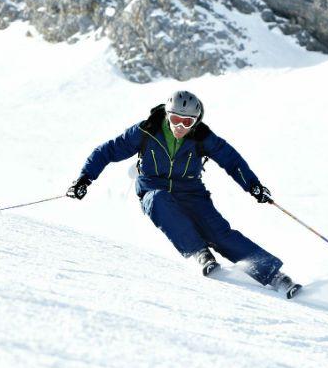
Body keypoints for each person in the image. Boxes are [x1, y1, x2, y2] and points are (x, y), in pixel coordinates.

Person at [67, 91, 301, 299]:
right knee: (159, 201)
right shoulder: (146, 131)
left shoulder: (202, 137)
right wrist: (84, 178)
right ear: (167, 115)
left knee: (220, 234)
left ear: (195, 121)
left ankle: (274, 276)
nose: (180, 126)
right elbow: (108, 151)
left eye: (187, 121)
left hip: (192, 192)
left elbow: (231, 160)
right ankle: (199, 252)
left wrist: (253, 186)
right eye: (175, 119)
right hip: (152, 187)